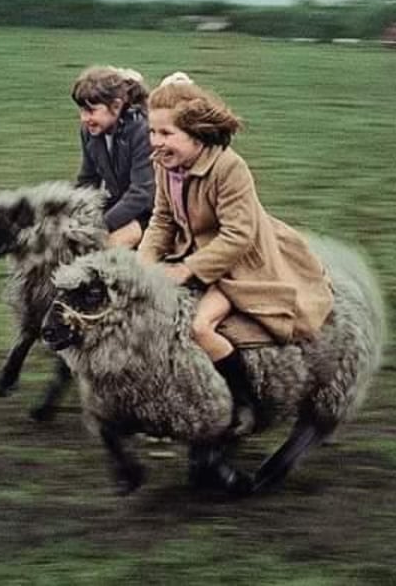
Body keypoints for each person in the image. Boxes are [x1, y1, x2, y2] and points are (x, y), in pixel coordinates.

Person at [137, 74, 334, 427]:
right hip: (195, 252)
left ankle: (243, 404)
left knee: (200, 328)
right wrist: (141, 265)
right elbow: (162, 220)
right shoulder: (164, 166)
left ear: (196, 133)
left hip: (238, 264)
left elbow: (238, 235)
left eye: (166, 134)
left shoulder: (229, 168)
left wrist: (187, 270)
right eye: (152, 132)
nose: (156, 142)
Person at [70, 66, 155, 249]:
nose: (84, 118)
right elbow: (87, 181)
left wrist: (99, 227)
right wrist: (71, 215)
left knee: (108, 248)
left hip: (151, 212)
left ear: (116, 106)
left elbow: (141, 194)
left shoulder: (141, 130)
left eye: (91, 111)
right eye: (81, 111)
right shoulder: (89, 131)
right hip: (120, 204)